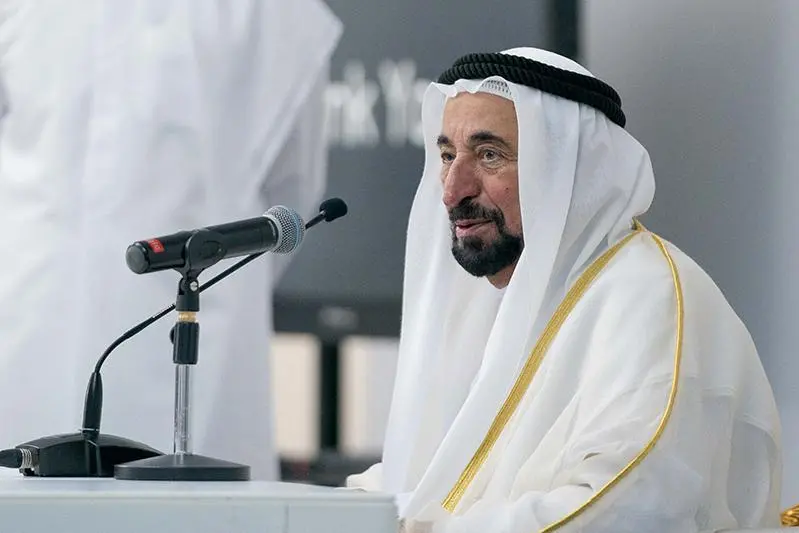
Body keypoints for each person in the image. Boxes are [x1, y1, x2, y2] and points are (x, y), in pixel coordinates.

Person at [347, 47, 783, 532]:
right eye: (447, 155)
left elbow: (628, 508)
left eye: (489, 155)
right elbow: (428, 478)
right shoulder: (483, 302)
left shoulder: (647, 297)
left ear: (564, 169)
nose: (452, 189)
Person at [0, 1, 341, 480]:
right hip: (31, 324)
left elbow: (283, 212)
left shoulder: (272, 12)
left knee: (192, 500)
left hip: (192, 341)